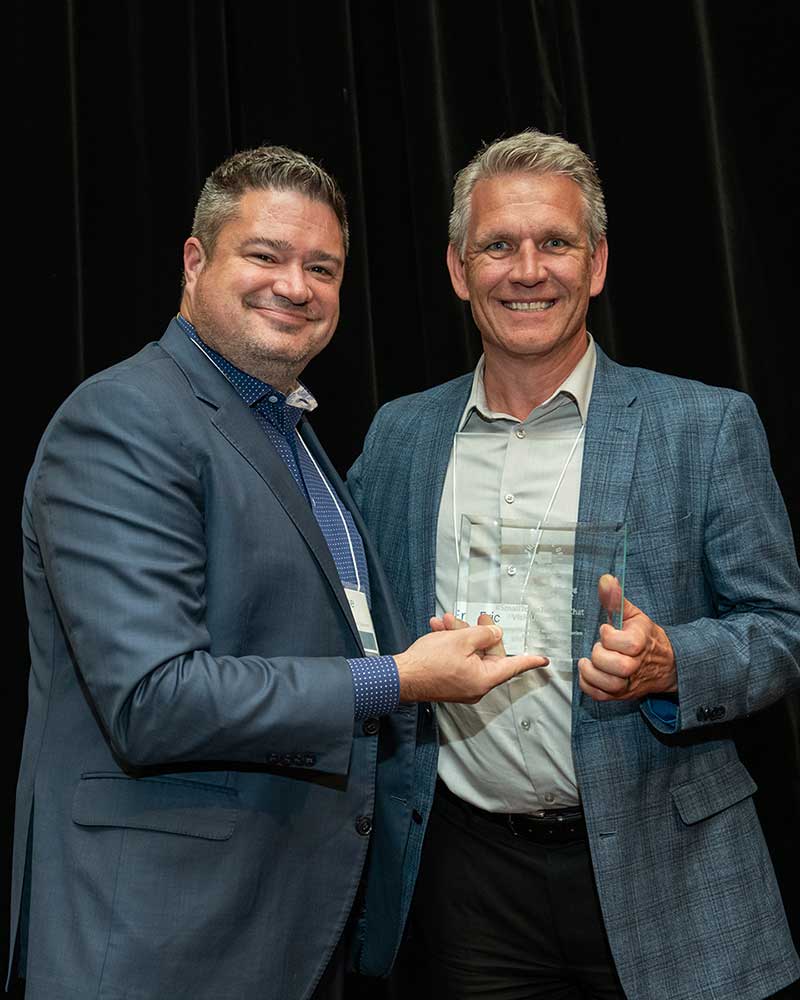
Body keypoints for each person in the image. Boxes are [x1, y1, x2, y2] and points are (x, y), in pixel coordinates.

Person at [8, 145, 547, 1000]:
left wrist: (409, 657)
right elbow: (156, 701)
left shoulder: (287, 432)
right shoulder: (122, 420)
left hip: (279, 928)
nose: (294, 286)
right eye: (264, 255)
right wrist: (397, 680)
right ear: (195, 261)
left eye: (321, 267)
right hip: (159, 940)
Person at [348, 129, 800, 1000]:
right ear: (456, 268)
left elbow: (779, 632)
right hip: (465, 881)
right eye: (498, 246)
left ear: (595, 264)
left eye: (555, 243)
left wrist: (675, 664)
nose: (527, 270)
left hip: (666, 866)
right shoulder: (398, 436)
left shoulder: (705, 427)